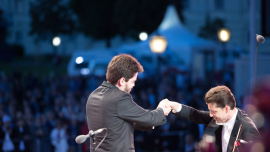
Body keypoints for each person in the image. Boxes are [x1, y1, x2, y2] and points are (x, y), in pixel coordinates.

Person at [86, 54, 171, 152]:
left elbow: (113, 123)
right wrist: (162, 109)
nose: (134, 85)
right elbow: (151, 119)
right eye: (133, 81)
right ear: (122, 81)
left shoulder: (93, 96)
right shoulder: (119, 98)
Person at [169, 86, 260, 152]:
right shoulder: (220, 117)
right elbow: (196, 114)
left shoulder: (248, 129)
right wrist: (174, 106)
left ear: (226, 109)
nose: (211, 115)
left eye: (214, 111)